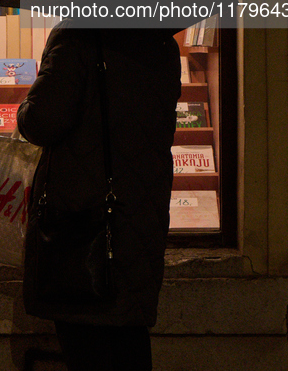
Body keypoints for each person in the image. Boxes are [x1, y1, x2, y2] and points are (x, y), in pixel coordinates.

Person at [17, 21, 181, 371]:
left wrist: (26, 106)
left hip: (81, 223)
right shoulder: (161, 44)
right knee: (128, 339)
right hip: (139, 217)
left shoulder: (76, 36)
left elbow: (41, 121)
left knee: (86, 341)